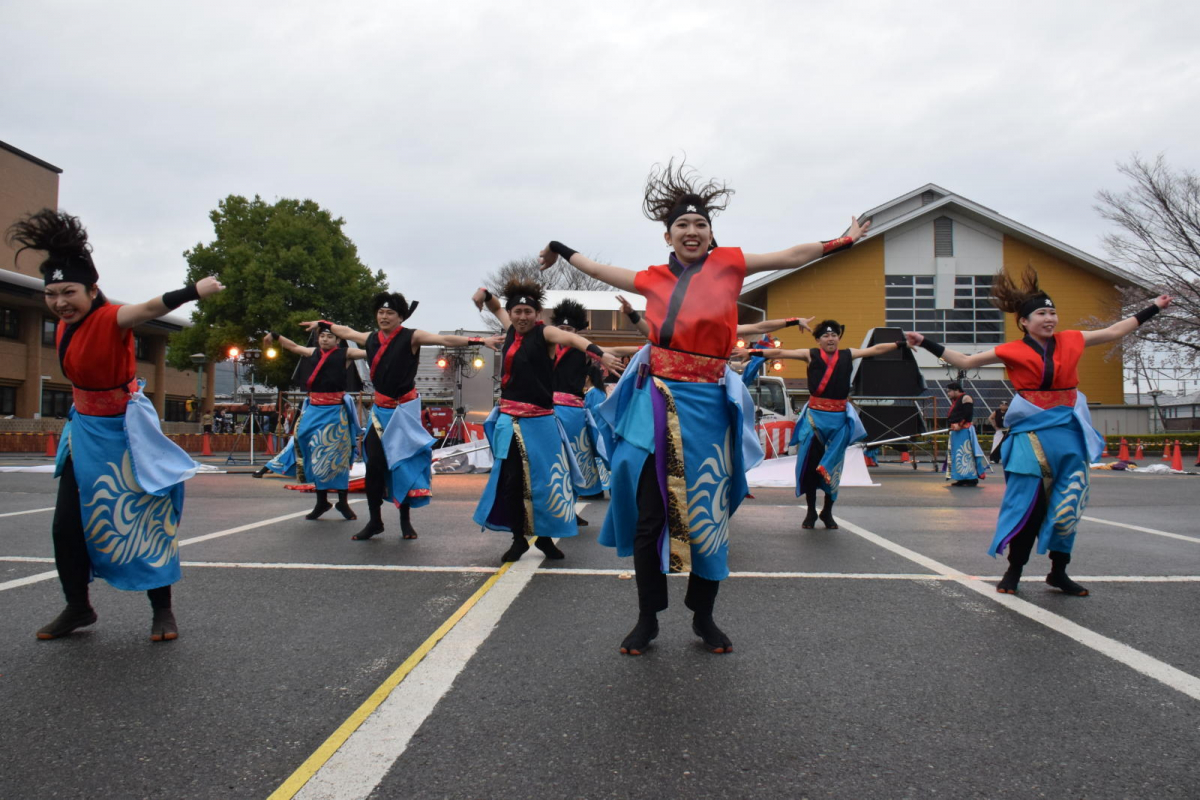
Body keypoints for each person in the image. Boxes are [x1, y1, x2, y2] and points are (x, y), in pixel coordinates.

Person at [539, 158, 870, 655]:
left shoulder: (731, 263)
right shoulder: (651, 278)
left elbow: (789, 256)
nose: (692, 231)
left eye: (700, 224)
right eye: (682, 226)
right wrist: (560, 248)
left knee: (707, 516)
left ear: (711, 234)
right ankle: (647, 616)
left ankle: (704, 616)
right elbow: (595, 267)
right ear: (668, 237)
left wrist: (841, 240)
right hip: (655, 403)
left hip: (709, 407)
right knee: (651, 517)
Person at [7, 209, 223, 642]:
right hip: (83, 433)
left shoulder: (110, 318)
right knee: (66, 526)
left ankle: (162, 610)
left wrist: (193, 291)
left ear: (93, 289)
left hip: (125, 436)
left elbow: (146, 307)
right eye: (51, 294)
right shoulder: (67, 325)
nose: (59, 302)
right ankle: (78, 607)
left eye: (68, 292)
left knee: (144, 519)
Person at [906, 267, 1171, 596]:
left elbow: (1116, 331)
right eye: (1042, 313)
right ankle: (1014, 570)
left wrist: (1155, 307)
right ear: (1024, 322)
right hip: (1030, 435)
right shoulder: (1011, 350)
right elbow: (965, 360)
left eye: (1053, 312)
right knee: (1026, 505)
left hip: (1068, 431)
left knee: (1068, 505)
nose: (1050, 318)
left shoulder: (1072, 339)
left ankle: (1058, 572)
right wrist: (925, 342)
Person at [304, 293, 495, 541]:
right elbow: (346, 331)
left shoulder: (411, 337)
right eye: (381, 312)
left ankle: (405, 521)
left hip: (404, 412)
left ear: (400, 317)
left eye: (390, 313)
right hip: (380, 413)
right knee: (374, 467)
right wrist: (323, 324)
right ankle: (375, 521)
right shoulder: (370, 338)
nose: (384, 317)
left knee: (402, 465)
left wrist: (478, 340)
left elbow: (444, 338)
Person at [471, 281, 625, 563]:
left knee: (548, 484)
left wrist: (599, 353)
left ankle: (544, 538)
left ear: (536, 312)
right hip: (510, 420)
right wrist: (484, 293)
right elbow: (495, 305)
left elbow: (573, 340)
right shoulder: (509, 330)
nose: (522, 316)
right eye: (517, 311)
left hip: (541, 421)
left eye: (528, 311)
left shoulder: (546, 333)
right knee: (512, 482)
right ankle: (518, 539)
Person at [754, 321, 907, 529]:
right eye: (826, 336)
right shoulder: (810, 354)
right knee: (809, 466)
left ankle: (827, 512)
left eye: (834, 335)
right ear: (818, 340)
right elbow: (782, 351)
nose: (830, 338)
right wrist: (753, 353)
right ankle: (810, 512)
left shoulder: (848, 354)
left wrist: (901, 344)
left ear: (839, 338)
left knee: (833, 467)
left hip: (839, 421)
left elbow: (875, 349)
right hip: (814, 419)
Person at [258, 323, 364, 521]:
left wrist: (388, 345)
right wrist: (274, 334)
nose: (325, 339)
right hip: (314, 408)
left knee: (337, 456)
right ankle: (322, 501)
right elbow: (293, 347)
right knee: (311, 449)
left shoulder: (345, 354)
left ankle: (342, 501)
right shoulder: (312, 352)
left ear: (338, 339)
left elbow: (369, 352)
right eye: (322, 336)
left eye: (329, 336)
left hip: (335, 411)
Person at [546, 298, 609, 514]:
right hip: (545, 409)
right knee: (551, 459)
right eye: (561, 328)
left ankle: (570, 507)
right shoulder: (546, 348)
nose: (565, 332)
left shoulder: (585, 351)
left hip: (572, 412)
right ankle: (552, 508)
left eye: (569, 329)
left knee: (574, 460)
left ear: (577, 331)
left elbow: (614, 350)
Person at [945, 381, 988, 487]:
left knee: (966, 454)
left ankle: (971, 478)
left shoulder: (966, 398)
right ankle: (961, 478)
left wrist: (960, 424)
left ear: (956, 390)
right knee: (958, 455)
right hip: (957, 431)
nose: (948, 394)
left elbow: (968, 414)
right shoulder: (957, 400)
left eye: (949, 391)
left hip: (964, 430)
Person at [986, 399, 1009, 463]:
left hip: (1007, 430)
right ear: (1000, 406)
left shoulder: (1009, 412)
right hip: (999, 430)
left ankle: (1005, 458)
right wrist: (994, 426)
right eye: (1002, 405)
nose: (1004, 406)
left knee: (1006, 444)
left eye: (1005, 405)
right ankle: (993, 458)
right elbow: (990, 418)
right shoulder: (997, 412)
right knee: (996, 444)